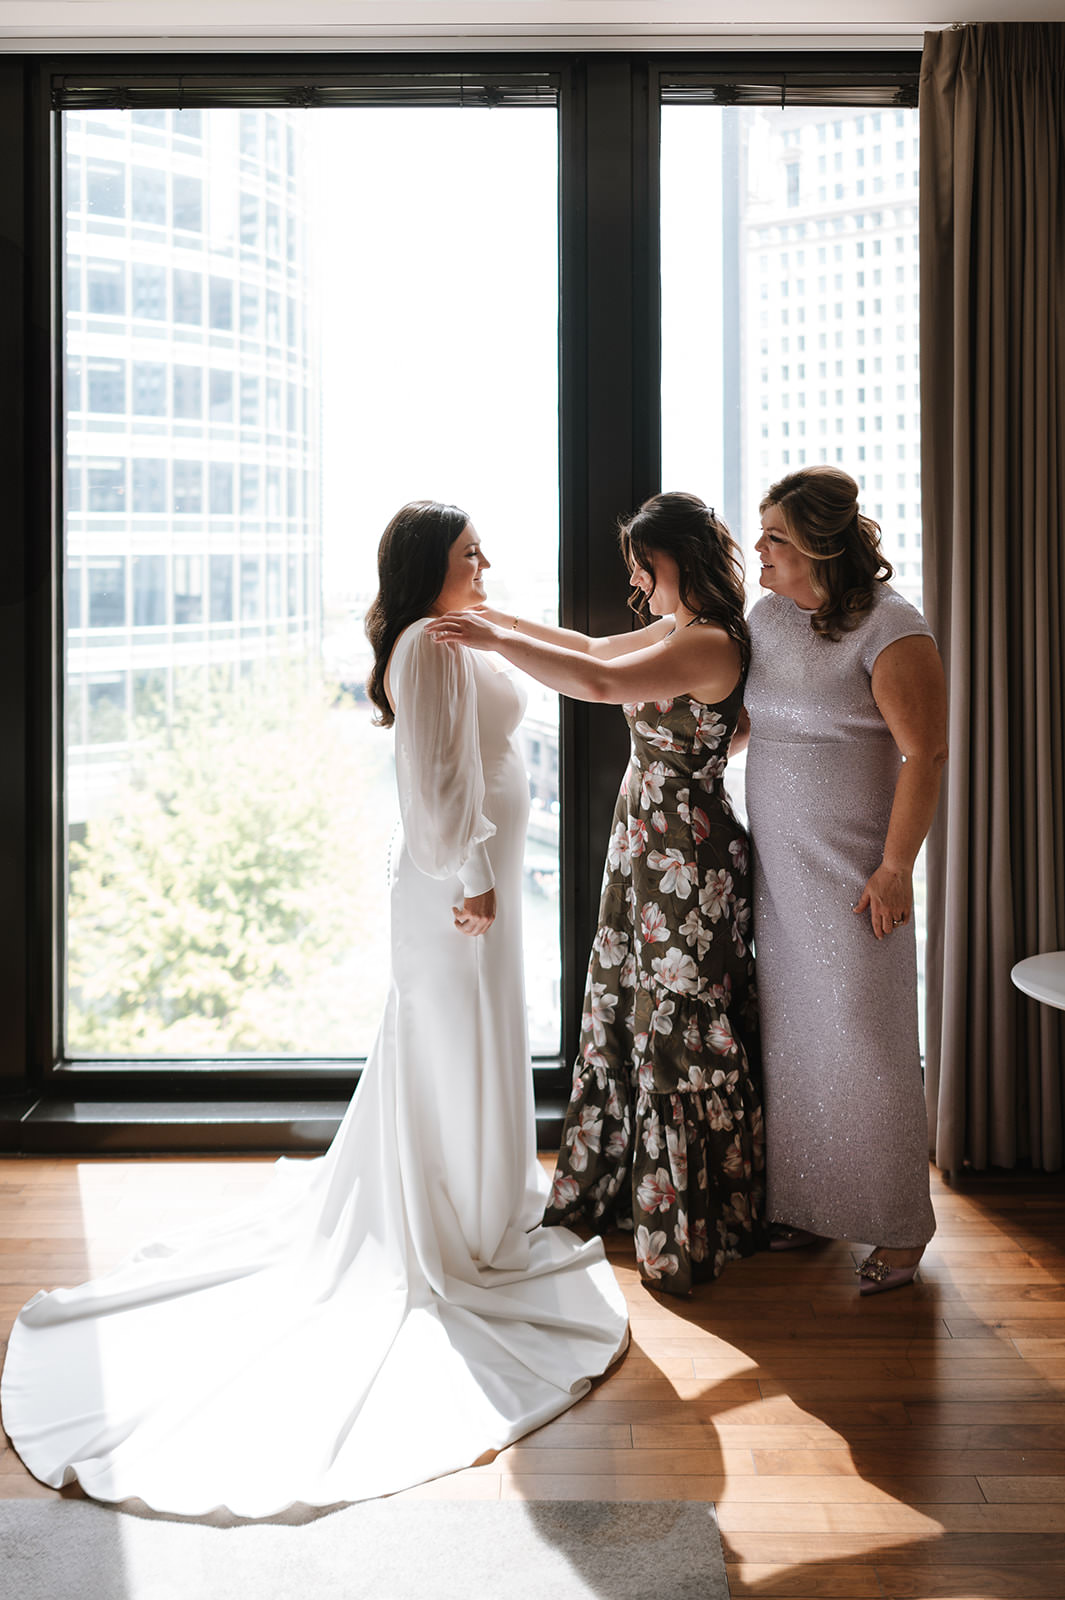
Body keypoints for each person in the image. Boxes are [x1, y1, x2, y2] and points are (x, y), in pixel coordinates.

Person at [0, 501, 628, 1517]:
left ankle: (476, 1206)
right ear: (427, 566)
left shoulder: (458, 630)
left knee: (470, 1045)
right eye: (468, 553)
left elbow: (515, 714)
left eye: (482, 549)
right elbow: (434, 781)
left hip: (479, 889)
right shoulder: (427, 645)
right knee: (449, 1049)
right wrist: (472, 873)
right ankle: (449, 1224)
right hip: (456, 894)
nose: (485, 562)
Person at [427, 492, 767, 1296]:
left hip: (685, 858)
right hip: (649, 845)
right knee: (632, 1009)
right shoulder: (682, 626)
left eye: (644, 567)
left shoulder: (710, 639)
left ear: (677, 558)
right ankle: (622, 1194)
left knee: (676, 1024)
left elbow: (594, 679)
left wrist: (494, 640)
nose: (637, 584)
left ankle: (688, 1223)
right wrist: (495, 619)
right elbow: (586, 645)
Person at [743, 465, 948, 1295]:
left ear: (820, 548)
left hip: (855, 872)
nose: (758, 548)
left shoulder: (891, 628)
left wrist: (895, 868)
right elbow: (745, 722)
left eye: (774, 537)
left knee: (866, 1041)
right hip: (776, 870)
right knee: (794, 1039)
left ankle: (900, 1227)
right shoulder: (764, 617)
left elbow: (924, 753)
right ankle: (808, 1202)